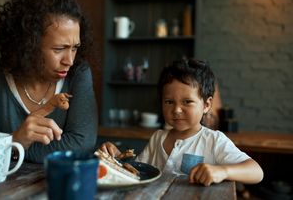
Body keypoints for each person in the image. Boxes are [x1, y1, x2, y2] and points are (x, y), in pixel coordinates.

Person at [0, 0, 98, 163]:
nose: (69, 60)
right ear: (27, 44)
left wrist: (12, 149)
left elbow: (82, 144)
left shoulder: (78, 73)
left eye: (74, 48)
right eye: (59, 49)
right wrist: (16, 139)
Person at [101, 59, 263, 186]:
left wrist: (223, 171)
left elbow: (256, 172)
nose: (177, 110)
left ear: (206, 105)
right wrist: (118, 158)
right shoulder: (158, 138)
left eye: (187, 102)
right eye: (169, 102)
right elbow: (138, 171)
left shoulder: (213, 141)